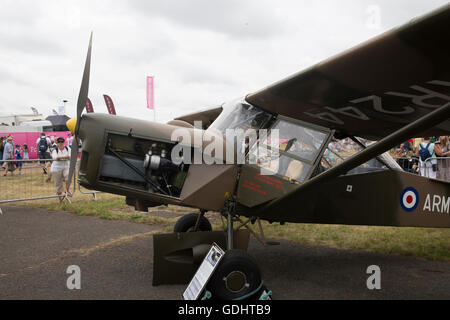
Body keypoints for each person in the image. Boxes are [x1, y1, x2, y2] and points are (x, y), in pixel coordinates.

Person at [50, 136, 72, 202]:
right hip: (56, 168)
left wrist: (61, 157)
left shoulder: (68, 148)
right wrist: (65, 157)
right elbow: (55, 157)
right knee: (58, 184)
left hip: (66, 166)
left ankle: (67, 190)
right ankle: (60, 199)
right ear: (57, 143)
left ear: (64, 142)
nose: (60, 143)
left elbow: (70, 156)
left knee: (68, 177)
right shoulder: (55, 150)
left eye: (62, 141)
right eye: (59, 142)